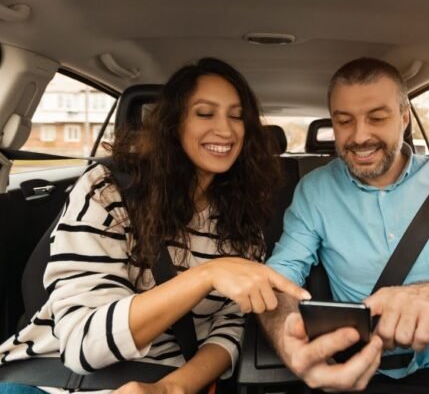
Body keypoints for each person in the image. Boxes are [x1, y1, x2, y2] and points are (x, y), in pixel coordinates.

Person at [0, 58, 309, 394]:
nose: (225, 129)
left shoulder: (242, 220)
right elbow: (83, 345)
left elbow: (230, 325)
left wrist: (173, 387)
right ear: (174, 123)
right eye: (205, 113)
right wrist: (206, 276)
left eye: (236, 116)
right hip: (50, 379)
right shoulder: (107, 190)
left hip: (164, 379)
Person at [259, 58, 429, 393]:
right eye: (344, 121)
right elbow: (279, 280)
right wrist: (288, 343)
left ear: (404, 117)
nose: (360, 136)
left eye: (377, 118)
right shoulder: (314, 191)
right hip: (366, 376)